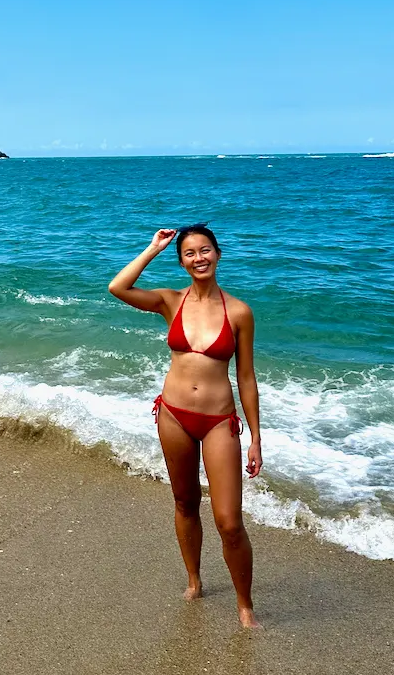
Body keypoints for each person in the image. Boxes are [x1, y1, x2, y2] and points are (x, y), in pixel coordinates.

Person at [108, 224, 262, 629]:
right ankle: (194, 579)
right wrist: (152, 248)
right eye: (190, 253)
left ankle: (245, 605)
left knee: (229, 521)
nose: (199, 258)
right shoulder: (170, 302)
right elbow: (118, 288)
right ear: (182, 261)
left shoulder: (239, 312)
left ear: (218, 254)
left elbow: (246, 377)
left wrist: (256, 436)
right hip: (173, 414)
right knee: (184, 502)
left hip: (218, 421)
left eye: (205, 250)